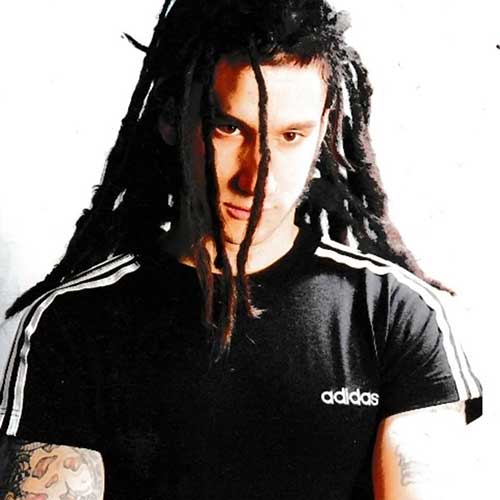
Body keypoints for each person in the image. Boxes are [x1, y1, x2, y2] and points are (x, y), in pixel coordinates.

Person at [0, 0, 482, 498]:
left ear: (323, 132)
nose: (257, 178)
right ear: (172, 120)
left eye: (291, 136)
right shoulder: (76, 323)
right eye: (229, 128)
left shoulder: (394, 315)